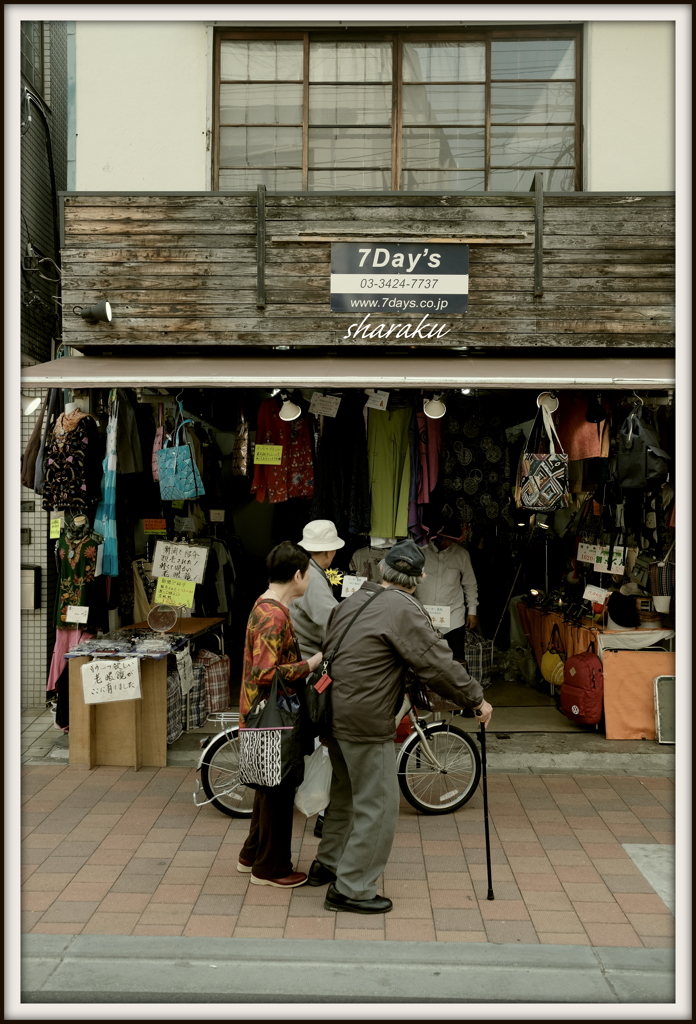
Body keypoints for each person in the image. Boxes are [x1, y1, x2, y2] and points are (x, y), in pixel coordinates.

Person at [305, 539, 493, 914]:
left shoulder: (356, 599)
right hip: (365, 717)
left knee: (344, 792)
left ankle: (326, 864)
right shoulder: (404, 608)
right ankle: (352, 888)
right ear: (419, 577)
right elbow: (436, 662)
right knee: (380, 804)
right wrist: (476, 697)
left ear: (382, 571)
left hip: (331, 710)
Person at [237, 541, 323, 888]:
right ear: (298, 575)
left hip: (259, 713)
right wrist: (310, 664)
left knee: (267, 787)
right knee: (278, 789)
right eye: (308, 574)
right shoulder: (274, 615)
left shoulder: (264, 604)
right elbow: (266, 673)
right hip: (274, 716)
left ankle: (252, 854)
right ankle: (270, 869)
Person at [289, 519, 345, 838]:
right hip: (311, 664)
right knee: (326, 730)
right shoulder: (314, 579)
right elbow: (332, 622)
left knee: (316, 731)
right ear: (327, 552)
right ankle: (324, 809)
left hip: (305, 660)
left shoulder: (306, 571)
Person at [415, 517, 479, 661]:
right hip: (424, 614)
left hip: (452, 615)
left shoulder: (461, 555)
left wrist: (472, 611)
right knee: (422, 658)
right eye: (440, 537)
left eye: (447, 538)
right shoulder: (421, 552)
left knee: (456, 659)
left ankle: (456, 684)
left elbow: (470, 584)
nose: (443, 541)